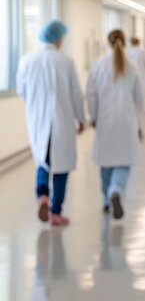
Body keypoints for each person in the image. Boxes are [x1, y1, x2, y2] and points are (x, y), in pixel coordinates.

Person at [16, 20, 86, 226]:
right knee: (62, 166)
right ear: (58, 38)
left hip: (37, 120)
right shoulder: (65, 62)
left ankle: (42, 196)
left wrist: (36, 104)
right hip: (61, 120)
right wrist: (81, 119)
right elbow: (75, 94)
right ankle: (56, 212)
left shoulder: (26, 60)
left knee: (42, 160)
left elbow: (22, 91)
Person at [87, 29, 145, 220]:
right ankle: (116, 190)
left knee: (106, 163)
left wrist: (93, 117)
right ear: (124, 43)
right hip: (127, 121)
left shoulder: (98, 66)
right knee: (122, 162)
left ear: (108, 43)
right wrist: (140, 125)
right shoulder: (133, 67)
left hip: (105, 120)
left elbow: (92, 95)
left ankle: (106, 200)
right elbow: (139, 100)